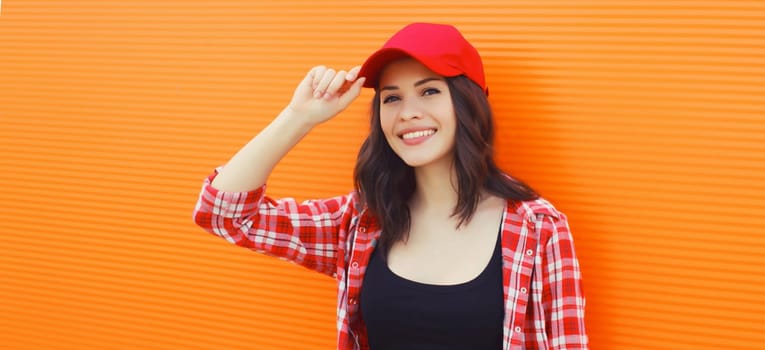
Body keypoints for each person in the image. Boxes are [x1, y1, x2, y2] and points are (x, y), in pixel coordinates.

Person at [193, 22, 588, 350]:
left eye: (430, 90)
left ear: (470, 103)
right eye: (391, 98)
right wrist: (300, 116)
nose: (408, 113)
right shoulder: (361, 221)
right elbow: (224, 214)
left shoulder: (538, 229)